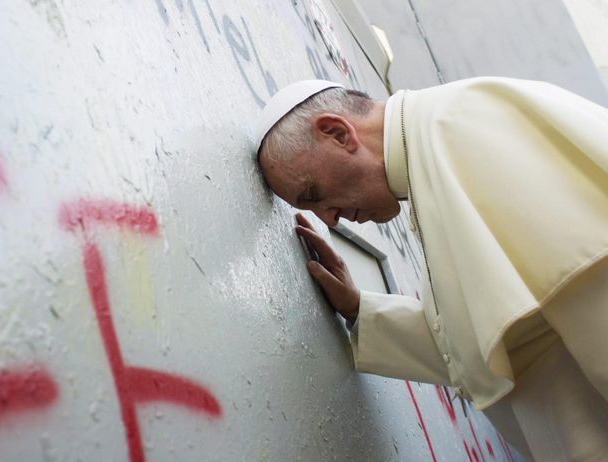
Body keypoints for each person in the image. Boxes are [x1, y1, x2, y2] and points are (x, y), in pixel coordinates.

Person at [255, 78, 608, 461]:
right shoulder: (434, 156)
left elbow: (586, 278)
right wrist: (359, 309)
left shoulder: (465, 121)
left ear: (338, 133)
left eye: (314, 194)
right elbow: (485, 342)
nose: (331, 219)